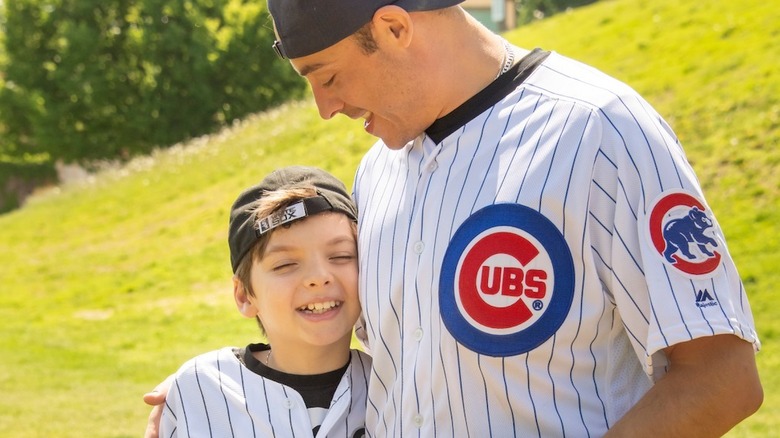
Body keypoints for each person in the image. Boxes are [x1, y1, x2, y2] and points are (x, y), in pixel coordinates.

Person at [147, 1, 763, 436]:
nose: (324, 108)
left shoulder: (600, 130)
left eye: (326, 77)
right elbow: (384, 365)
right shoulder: (378, 173)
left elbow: (721, 380)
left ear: (392, 27)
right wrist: (222, 393)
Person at [157, 166, 370, 437]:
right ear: (245, 295)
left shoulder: (394, 388)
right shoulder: (200, 390)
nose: (318, 278)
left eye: (340, 256)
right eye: (285, 264)